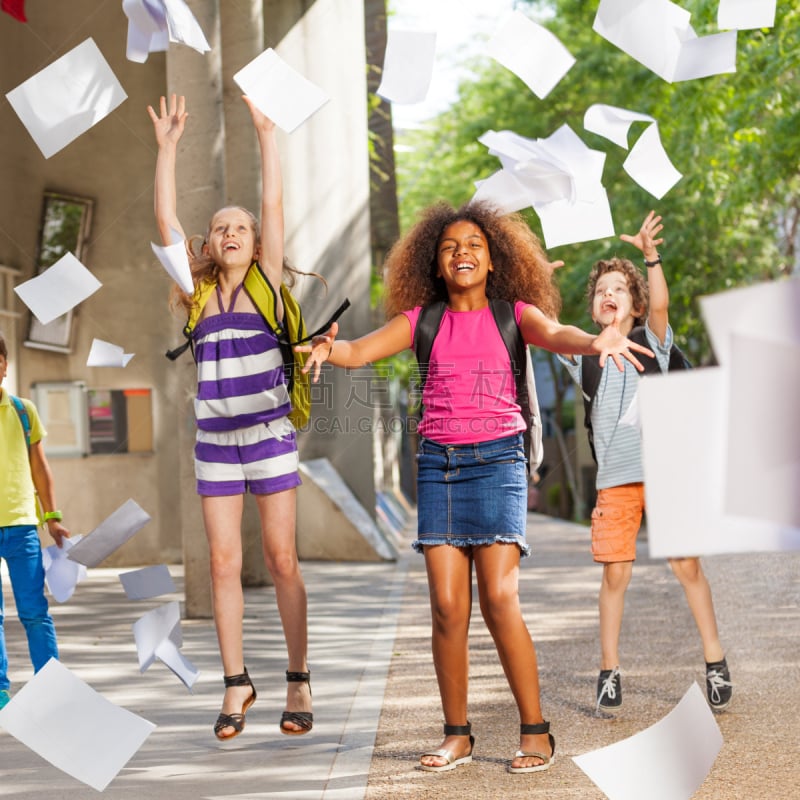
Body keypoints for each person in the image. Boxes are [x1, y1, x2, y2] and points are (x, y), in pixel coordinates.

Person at [299, 201, 652, 774]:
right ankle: (457, 734)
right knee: (444, 607)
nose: (462, 253)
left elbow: (559, 333)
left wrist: (596, 342)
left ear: (493, 261)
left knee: (499, 599)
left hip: (497, 464)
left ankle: (535, 729)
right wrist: (324, 347)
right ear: (435, 266)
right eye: (449, 248)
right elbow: (358, 350)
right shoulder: (423, 321)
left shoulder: (514, 314)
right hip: (438, 466)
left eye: (474, 246)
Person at [147, 94, 313, 739]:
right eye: (219, 228)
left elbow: (273, 202)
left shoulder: (268, 282)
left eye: (239, 226)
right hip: (214, 442)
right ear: (210, 245)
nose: (230, 232)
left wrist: (266, 133)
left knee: (280, 559)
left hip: (269, 435)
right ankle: (236, 683)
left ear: (256, 240)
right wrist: (168, 147)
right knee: (221, 563)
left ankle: (297, 678)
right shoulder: (197, 296)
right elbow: (166, 218)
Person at [559, 211, 732, 714]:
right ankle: (609, 669)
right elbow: (548, 330)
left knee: (686, 565)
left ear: (632, 303)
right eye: (601, 290)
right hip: (615, 482)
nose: (608, 294)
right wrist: (539, 284)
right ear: (594, 309)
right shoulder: (586, 354)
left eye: (619, 288)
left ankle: (715, 660)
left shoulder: (652, 343)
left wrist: (649, 257)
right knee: (615, 575)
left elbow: (661, 303)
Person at [0, 331, 70, 710]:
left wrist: (52, 518)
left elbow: (40, 468)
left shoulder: (23, 411)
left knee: (33, 611)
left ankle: (51, 681)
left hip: (23, 525)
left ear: (5, 366)